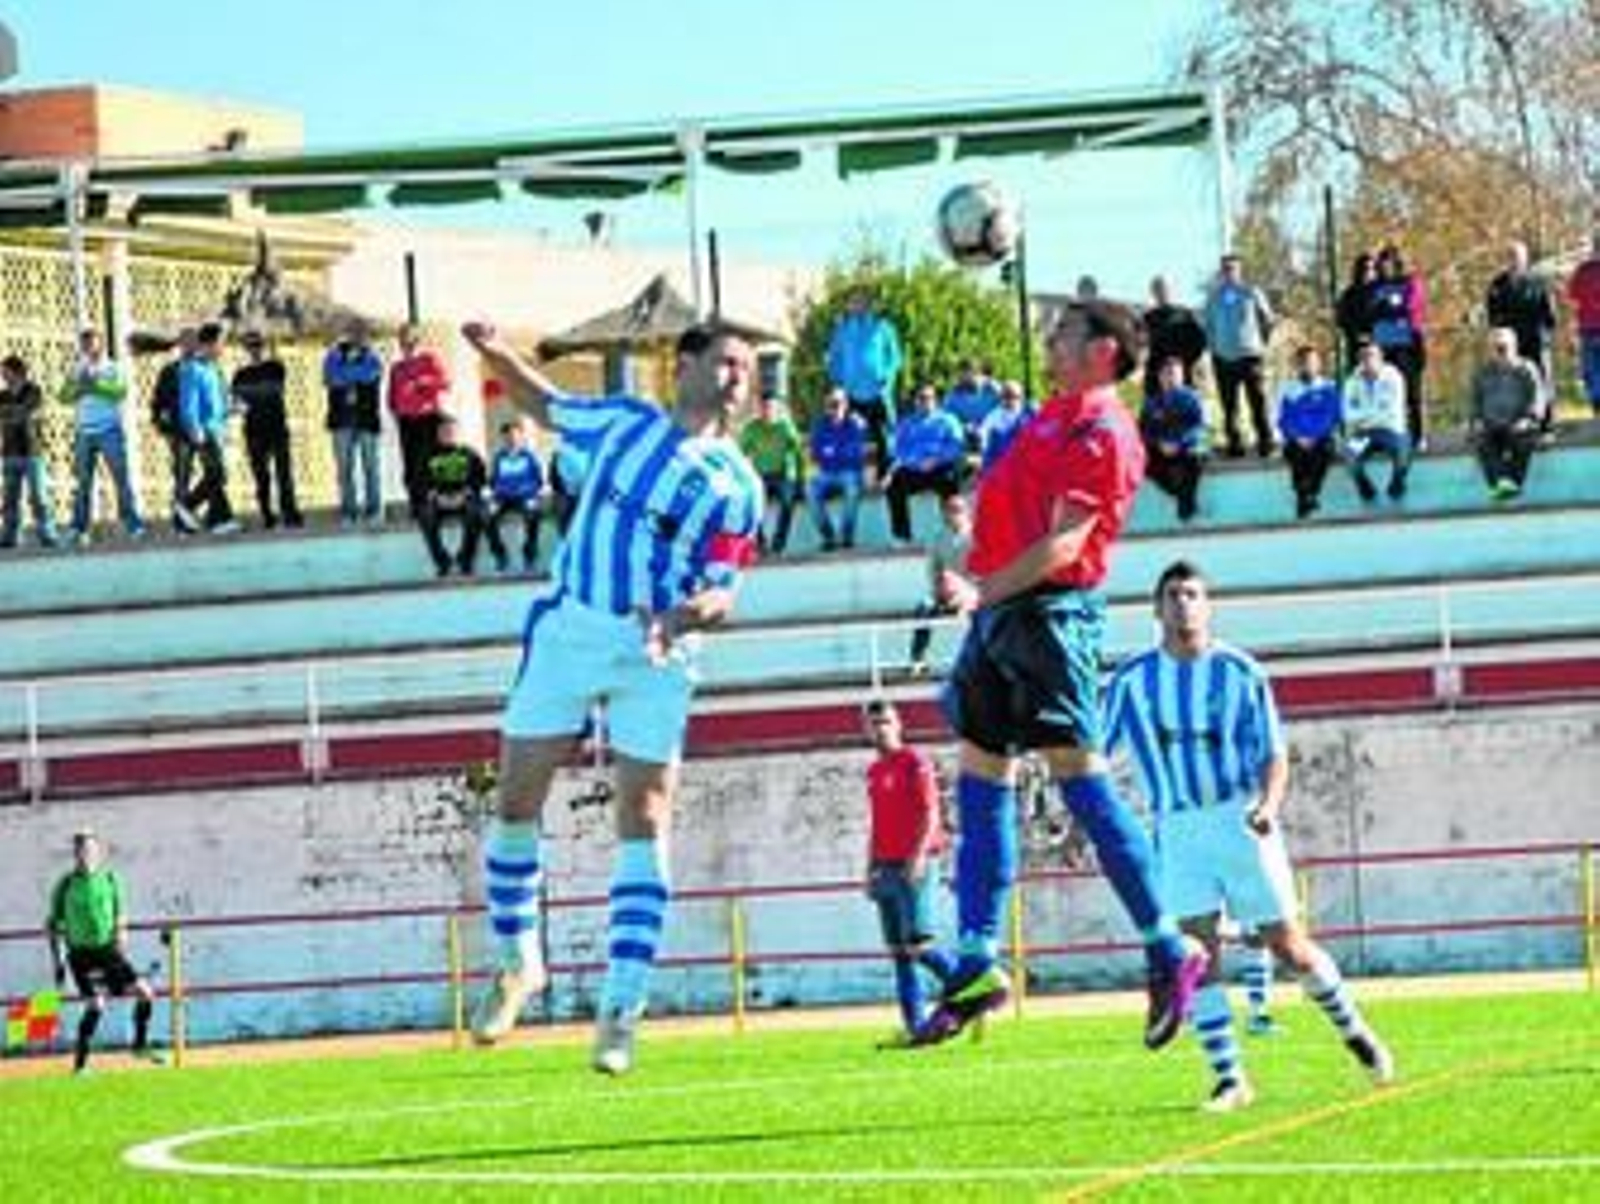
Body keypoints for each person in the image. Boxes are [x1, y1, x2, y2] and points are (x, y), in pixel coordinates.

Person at [460, 318, 763, 1076]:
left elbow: (725, 592)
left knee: (646, 815)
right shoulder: (626, 422)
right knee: (517, 800)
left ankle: (622, 1006)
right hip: (570, 630)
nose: (737, 378)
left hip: (657, 652)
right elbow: (545, 403)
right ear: (685, 365)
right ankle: (521, 963)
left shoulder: (738, 485)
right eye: (726, 362)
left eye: (747, 369)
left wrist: (680, 616)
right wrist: (496, 352)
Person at [910, 301, 1207, 1050]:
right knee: (980, 780)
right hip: (1001, 616)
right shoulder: (1049, 415)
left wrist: (986, 587)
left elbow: (1067, 545)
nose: (1051, 341)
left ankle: (1168, 944)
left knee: (1081, 780)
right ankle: (978, 955)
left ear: (1104, 350)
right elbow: (1009, 516)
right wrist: (969, 564)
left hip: (1050, 618)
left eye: (1065, 332)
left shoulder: (1105, 430)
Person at [1103, 561, 1395, 1111]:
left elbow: (1274, 754)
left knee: (1290, 947)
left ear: (1208, 605)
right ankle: (1230, 1078)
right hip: (1177, 828)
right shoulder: (1132, 680)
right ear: (1155, 609)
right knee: (1198, 950)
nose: (1182, 604)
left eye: (1192, 594)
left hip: (1239, 821)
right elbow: (1096, 749)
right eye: (1172, 595)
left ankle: (1356, 1031)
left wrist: (1268, 804)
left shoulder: (1241, 672)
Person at [862, 699, 956, 1046]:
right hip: (884, 867)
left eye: (885, 721)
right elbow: (877, 823)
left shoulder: (914, 761)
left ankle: (973, 986)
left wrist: (917, 856)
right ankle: (916, 1027)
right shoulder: (874, 771)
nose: (880, 728)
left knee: (919, 946)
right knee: (899, 953)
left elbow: (931, 813)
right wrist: (869, 868)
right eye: (873, 723)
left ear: (898, 724)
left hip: (913, 863)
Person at [45, 830, 163, 1075]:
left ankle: (139, 1046)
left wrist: (122, 932)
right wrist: (57, 961)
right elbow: (52, 925)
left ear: (97, 853)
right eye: (80, 851)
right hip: (80, 955)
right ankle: (80, 1065)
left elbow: (121, 913)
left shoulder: (110, 879)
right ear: (74, 854)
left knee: (145, 993)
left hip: (108, 952)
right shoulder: (65, 885)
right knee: (96, 1005)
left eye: (89, 850)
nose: (84, 855)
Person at [60, 328, 145, 545]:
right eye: (85, 343)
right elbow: (63, 397)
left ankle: (133, 524)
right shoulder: (77, 369)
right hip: (84, 432)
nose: (88, 347)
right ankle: (78, 527)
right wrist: (80, 387)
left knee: (120, 478)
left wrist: (95, 385)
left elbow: (120, 393)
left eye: (92, 343)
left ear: (101, 345)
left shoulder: (113, 367)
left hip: (109, 430)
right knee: (83, 483)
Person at [1201, 253, 1276, 458]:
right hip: (1222, 358)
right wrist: (1213, 348)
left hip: (1250, 356)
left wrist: (1261, 344)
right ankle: (1235, 444)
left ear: (1240, 270)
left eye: (1233, 268)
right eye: (1225, 269)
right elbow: (1206, 325)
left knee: (1257, 401)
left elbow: (1268, 320)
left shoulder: (1251, 292)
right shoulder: (1213, 296)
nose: (1229, 272)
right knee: (1229, 405)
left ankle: (1265, 442)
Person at [825, 287, 903, 477]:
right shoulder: (842, 329)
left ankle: (886, 475)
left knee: (883, 435)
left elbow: (895, 358)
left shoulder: (883, 326)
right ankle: (851, 475)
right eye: (853, 301)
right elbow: (833, 357)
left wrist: (887, 379)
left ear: (869, 304)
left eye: (861, 301)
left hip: (877, 392)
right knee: (849, 436)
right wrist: (838, 383)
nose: (857, 305)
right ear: (848, 305)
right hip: (850, 393)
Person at [232, 330, 303, 529]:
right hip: (254, 431)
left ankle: (289, 513)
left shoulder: (275, 367)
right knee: (261, 476)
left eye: (258, 345)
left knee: (284, 473)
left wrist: (252, 397)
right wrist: (247, 401)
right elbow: (239, 403)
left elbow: (276, 389)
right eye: (251, 346)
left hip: (277, 427)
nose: (255, 350)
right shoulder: (240, 374)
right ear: (246, 349)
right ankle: (267, 514)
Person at [175, 322, 240, 535]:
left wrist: (232, 409)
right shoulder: (192, 368)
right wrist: (195, 429)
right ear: (209, 344)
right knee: (217, 474)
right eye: (221, 343)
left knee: (217, 475)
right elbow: (188, 403)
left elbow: (217, 402)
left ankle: (219, 520)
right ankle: (188, 506)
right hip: (204, 430)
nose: (223, 348)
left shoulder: (212, 369)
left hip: (217, 428)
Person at [883, 383, 965, 545]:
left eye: (929, 398)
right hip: (915, 469)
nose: (925, 402)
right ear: (915, 401)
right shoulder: (906, 423)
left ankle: (955, 529)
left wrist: (937, 459)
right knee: (894, 486)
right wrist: (915, 462)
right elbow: (897, 450)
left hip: (940, 466)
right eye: (921, 398)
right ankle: (902, 535)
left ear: (935, 400)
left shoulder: (948, 420)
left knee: (950, 480)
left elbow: (956, 446)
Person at [1468, 327, 1544, 501]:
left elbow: (1538, 396)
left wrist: (1529, 418)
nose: (1500, 351)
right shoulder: (1482, 373)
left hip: (1519, 422)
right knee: (1481, 440)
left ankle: (1512, 484)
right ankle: (1499, 484)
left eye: (1504, 347)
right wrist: (1476, 419)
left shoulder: (1526, 368)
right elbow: (1475, 400)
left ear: (1514, 346)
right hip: (1491, 424)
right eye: (1496, 348)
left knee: (1523, 440)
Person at [1485, 240, 1558, 418]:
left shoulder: (1538, 281)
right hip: (1510, 343)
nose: (1513, 261)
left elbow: (1549, 314)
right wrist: (1500, 336)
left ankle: (1547, 423)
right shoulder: (1497, 284)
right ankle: (1519, 423)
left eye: (1517, 257)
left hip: (1536, 338)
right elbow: (1493, 314)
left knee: (1542, 380)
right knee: (1513, 384)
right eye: (1509, 257)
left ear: (1525, 259)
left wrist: (1545, 334)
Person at [322, 321, 384, 524]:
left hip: (367, 420)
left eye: (361, 333)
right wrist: (354, 374)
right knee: (344, 470)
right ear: (347, 334)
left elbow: (372, 375)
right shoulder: (333, 355)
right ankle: (348, 512)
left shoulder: (373, 356)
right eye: (353, 332)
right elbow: (329, 378)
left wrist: (345, 373)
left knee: (371, 468)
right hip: (341, 421)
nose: (357, 336)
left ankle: (374, 510)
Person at [389, 323, 452, 517]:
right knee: (409, 463)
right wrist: (395, 409)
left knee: (427, 461)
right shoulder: (397, 367)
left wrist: (421, 382)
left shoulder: (429, 360)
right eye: (403, 341)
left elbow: (445, 382)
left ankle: (432, 503)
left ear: (417, 340)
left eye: (410, 340)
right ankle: (416, 504)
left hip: (426, 417)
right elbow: (392, 393)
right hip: (405, 419)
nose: (406, 344)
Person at [908, 491, 974, 676]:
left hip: (972, 592)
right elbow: (934, 569)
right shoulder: (938, 538)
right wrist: (940, 590)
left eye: (958, 510)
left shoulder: (976, 535)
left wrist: (966, 592)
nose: (953, 514)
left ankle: (982, 660)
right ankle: (917, 659)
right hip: (946, 592)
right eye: (949, 510)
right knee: (924, 606)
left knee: (986, 612)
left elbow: (984, 569)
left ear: (967, 511)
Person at [1370, 244, 1429, 447]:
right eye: (1381, 262)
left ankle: (1418, 435)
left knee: (1412, 392)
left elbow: (1411, 309)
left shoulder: (1410, 282)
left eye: (1389, 261)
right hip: (1383, 348)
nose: (1384, 266)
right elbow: (1372, 312)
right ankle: (1390, 435)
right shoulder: (1375, 286)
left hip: (1407, 346)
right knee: (1386, 393)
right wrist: (1389, 308)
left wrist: (1387, 308)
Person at [1275, 345, 1343, 519]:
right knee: (1296, 455)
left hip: (1321, 438)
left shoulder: (1329, 387)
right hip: (1296, 439)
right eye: (1304, 363)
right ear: (1298, 366)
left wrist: (1314, 437)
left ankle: (1308, 494)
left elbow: (1333, 416)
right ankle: (1306, 496)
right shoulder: (1287, 389)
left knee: (1325, 451)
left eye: (1313, 362)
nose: (1309, 366)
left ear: (1319, 364)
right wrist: (1298, 437)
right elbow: (1283, 419)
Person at [0, 353, 60, 548]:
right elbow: (10, 416)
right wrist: (15, 414)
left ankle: (47, 533)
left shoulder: (33, 391)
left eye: (5, 371)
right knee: (10, 498)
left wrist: (12, 415)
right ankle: (10, 536)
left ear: (16, 371)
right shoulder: (3, 396)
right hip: (9, 452)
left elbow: (29, 412)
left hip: (32, 451)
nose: (3, 375)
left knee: (38, 497)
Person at [417, 413, 488, 577]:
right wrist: (435, 496)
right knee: (425, 515)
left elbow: (480, 478)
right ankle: (443, 561)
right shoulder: (428, 455)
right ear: (438, 434)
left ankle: (465, 559)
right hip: (438, 500)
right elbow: (419, 481)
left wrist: (464, 494)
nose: (448, 434)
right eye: (444, 431)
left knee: (476, 513)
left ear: (458, 433)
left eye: (451, 431)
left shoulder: (469, 454)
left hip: (463, 498)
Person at [1138, 355, 1207, 522]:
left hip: (1187, 448)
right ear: (1160, 377)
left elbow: (1198, 426)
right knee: (1144, 463)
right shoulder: (1152, 402)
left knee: (1195, 461)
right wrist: (1159, 444)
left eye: (1174, 374)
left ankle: (1186, 506)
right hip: (1161, 449)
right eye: (1166, 374)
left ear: (1182, 376)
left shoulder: (1192, 398)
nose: (1170, 378)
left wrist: (1179, 443)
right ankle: (1183, 497)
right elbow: (1143, 431)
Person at [1342, 340, 1412, 503]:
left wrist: (1363, 415)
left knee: (1403, 453)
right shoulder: (1351, 382)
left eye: (1372, 355)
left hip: (1391, 430)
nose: (1368, 360)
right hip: (1362, 433)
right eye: (1364, 356)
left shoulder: (1394, 377)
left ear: (1381, 358)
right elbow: (1347, 414)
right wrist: (1374, 413)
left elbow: (1393, 411)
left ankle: (1396, 484)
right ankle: (1365, 487)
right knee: (1349, 455)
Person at [738, 393, 805, 555]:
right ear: (759, 409)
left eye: (772, 408)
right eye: (764, 407)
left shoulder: (786, 426)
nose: (768, 411)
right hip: (760, 476)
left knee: (788, 503)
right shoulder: (751, 428)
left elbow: (798, 454)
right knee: (753, 505)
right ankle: (761, 542)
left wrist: (800, 480)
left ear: (778, 409)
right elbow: (739, 456)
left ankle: (779, 543)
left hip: (782, 475)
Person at [805, 386, 868, 551]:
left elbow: (855, 455)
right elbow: (815, 454)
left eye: (837, 403)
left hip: (849, 473)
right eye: (830, 404)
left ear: (845, 405)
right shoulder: (820, 426)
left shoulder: (855, 424)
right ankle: (829, 536)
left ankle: (846, 536)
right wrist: (828, 458)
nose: (834, 408)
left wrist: (832, 454)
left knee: (851, 487)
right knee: (810, 489)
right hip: (827, 473)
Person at [484, 417, 545, 573]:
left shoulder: (529, 457)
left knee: (533, 516)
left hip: (525, 497)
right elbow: (492, 481)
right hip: (503, 498)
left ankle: (529, 555)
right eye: (508, 437)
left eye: (515, 436)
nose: (512, 439)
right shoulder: (499, 458)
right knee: (487, 517)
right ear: (503, 439)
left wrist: (530, 494)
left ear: (521, 437)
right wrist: (495, 496)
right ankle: (500, 554)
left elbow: (539, 481)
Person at [151, 329, 197, 530]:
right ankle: (180, 521)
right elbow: (158, 403)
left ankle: (218, 516)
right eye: (184, 342)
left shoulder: (204, 367)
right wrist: (163, 428)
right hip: (180, 431)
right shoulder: (169, 372)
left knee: (215, 474)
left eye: (191, 342)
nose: (188, 346)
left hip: (205, 428)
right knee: (182, 474)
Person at [1142, 274, 1208, 399]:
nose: (1161, 292)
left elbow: (1199, 343)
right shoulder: (1147, 319)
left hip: (1183, 376)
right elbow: (1141, 347)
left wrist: (1184, 363)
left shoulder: (1185, 315)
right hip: (1155, 378)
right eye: (1157, 289)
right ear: (1153, 293)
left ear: (1172, 290)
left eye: (1164, 288)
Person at [1566, 230, 1600, 413]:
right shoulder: (1582, 270)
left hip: (1588, 327)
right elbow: (1573, 299)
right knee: (1591, 370)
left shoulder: (1582, 270)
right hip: (1588, 328)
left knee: (1591, 370)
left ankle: (1597, 404)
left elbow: (1572, 299)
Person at [942, 360, 1001, 453]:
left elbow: (1004, 413)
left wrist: (984, 427)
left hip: (990, 434)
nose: (970, 378)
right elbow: (947, 417)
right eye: (963, 375)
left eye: (975, 374)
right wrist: (963, 425)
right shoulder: (953, 395)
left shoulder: (994, 392)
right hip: (963, 435)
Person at [976, 379, 1032, 474]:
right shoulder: (993, 416)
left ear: (1021, 397)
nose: (1009, 400)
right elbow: (985, 446)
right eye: (1006, 396)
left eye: (1014, 396)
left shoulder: (1030, 414)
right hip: (1000, 464)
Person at [1334, 253, 1377, 373]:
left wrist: (1375, 336)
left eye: (1372, 268)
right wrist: (1357, 334)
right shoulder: (1349, 294)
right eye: (1365, 268)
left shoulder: (1381, 292)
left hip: (1380, 348)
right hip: (1356, 348)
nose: (1368, 272)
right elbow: (1342, 319)